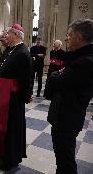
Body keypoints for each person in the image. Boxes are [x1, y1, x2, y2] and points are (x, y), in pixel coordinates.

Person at [47, 19, 93, 174]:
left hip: (67, 117)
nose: (67, 38)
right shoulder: (78, 58)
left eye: (69, 35)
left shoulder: (85, 61)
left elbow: (57, 81)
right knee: (63, 159)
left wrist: (55, 74)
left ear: (79, 37)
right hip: (67, 116)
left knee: (66, 161)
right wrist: (59, 74)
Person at [0, 24, 33, 171]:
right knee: (5, 126)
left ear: (15, 35)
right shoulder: (12, 50)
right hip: (5, 94)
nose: (5, 36)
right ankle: (3, 153)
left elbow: (26, 79)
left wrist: (25, 97)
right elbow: (8, 70)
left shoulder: (22, 52)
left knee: (11, 129)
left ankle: (11, 159)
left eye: (7, 33)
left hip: (13, 98)